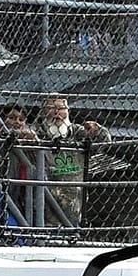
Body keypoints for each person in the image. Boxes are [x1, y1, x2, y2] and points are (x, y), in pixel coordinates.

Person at [34, 94, 111, 227]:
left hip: (75, 208)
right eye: (51, 108)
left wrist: (97, 129)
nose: (57, 112)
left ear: (68, 112)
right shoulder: (37, 134)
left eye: (61, 108)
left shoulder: (77, 133)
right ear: (43, 112)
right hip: (42, 210)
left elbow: (104, 142)